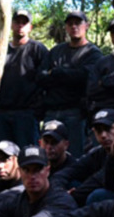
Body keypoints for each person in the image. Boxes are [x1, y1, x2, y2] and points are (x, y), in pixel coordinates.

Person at [37, 10, 101, 157]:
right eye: (70, 23)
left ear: (87, 26)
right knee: (46, 155)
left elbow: (85, 77)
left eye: (78, 23)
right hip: (52, 111)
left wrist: (58, 73)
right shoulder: (56, 51)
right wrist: (68, 76)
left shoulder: (92, 53)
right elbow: (41, 77)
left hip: (75, 113)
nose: (74, 27)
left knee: (74, 155)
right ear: (66, 27)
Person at [0, 10, 48, 147]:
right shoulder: (1, 50)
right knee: (3, 157)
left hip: (27, 113)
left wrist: (38, 109)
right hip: (2, 113)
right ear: (11, 25)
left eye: (24, 23)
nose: (20, 26)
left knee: (28, 157)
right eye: (17, 22)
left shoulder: (37, 49)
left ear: (30, 27)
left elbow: (46, 79)